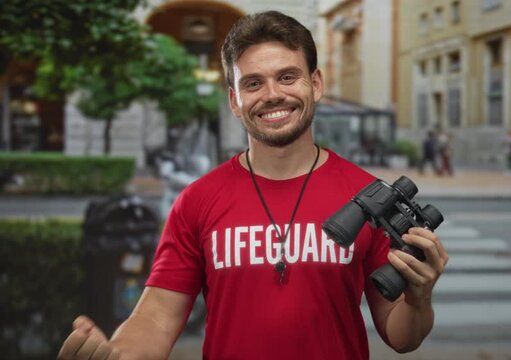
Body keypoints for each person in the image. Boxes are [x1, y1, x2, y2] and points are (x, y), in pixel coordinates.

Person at [57, 11, 448, 360]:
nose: (273, 94)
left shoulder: (367, 196)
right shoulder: (198, 200)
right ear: (234, 99)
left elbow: (401, 337)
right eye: (253, 83)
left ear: (315, 84)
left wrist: (419, 298)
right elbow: (157, 317)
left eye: (287, 77)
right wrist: (115, 354)